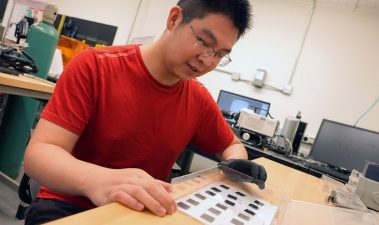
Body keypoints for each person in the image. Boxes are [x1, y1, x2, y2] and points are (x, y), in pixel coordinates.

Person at [23, 0, 266, 224]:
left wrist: (237, 165)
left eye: (220, 55)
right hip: (70, 205)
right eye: (203, 41)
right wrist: (100, 181)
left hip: (139, 213)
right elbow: (39, 155)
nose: (207, 61)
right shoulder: (96, 67)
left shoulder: (198, 98)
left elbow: (231, 145)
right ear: (173, 19)